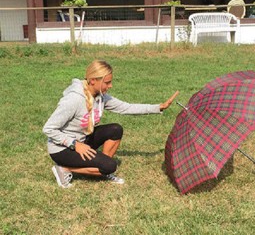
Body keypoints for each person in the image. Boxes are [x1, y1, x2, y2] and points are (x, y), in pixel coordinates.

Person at [43, 60, 179, 188]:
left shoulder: (100, 96)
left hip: (82, 139)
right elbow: (49, 128)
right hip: (62, 148)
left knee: (115, 129)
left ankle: (101, 168)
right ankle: (64, 168)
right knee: (110, 166)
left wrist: (158, 107)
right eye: (107, 82)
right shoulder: (74, 99)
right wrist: (75, 144)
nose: (110, 86)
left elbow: (126, 107)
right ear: (92, 81)